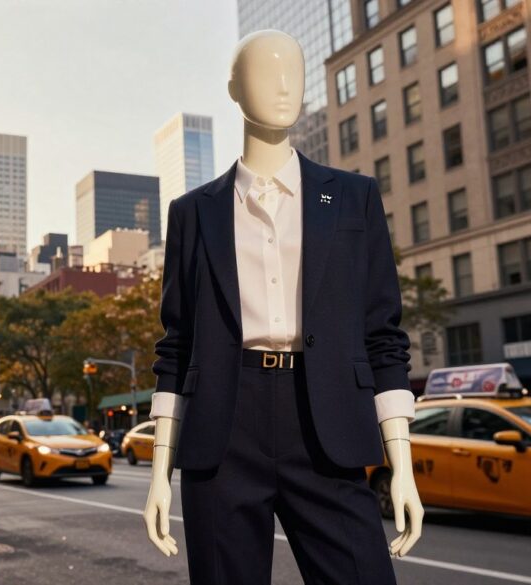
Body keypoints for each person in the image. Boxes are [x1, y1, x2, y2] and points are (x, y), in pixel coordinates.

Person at [143, 30, 421, 584]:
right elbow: (176, 343)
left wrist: (402, 462)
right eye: (266, 74)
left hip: (326, 422)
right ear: (233, 90)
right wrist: (160, 470)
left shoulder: (352, 197)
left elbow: (382, 331)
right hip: (223, 429)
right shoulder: (193, 213)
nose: (284, 86)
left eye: (294, 73)